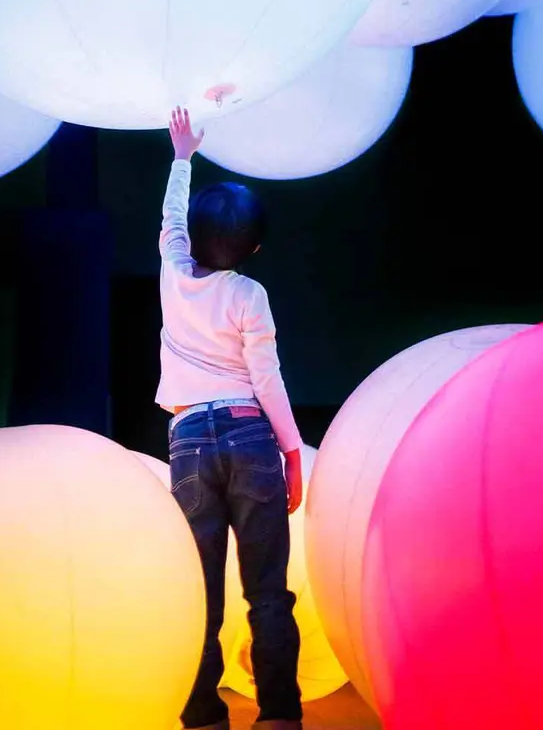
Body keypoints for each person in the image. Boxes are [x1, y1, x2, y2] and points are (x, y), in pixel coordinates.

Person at [157, 106, 303, 730]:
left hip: (189, 437)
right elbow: (266, 377)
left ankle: (202, 715)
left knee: (201, 593)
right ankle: (278, 715)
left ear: (191, 235)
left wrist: (183, 155)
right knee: (267, 588)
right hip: (249, 434)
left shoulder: (171, 269)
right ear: (256, 248)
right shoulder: (249, 294)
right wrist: (293, 452)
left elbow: (169, 219)